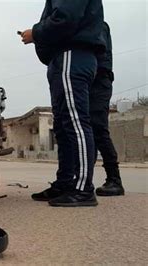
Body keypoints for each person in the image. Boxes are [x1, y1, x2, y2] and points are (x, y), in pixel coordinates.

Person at [20, 0, 106, 206]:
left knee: (76, 123)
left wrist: (35, 33)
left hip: (72, 55)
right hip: (63, 59)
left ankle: (83, 188)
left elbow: (65, 18)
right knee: (63, 125)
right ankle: (66, 183)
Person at [92, 22, 124, 196]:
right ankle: (84, 180)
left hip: (100, 79)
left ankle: (115, 180)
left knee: (98, 128)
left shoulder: (98, 25)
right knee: (87, 129)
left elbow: (97, 47)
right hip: (92, 80)